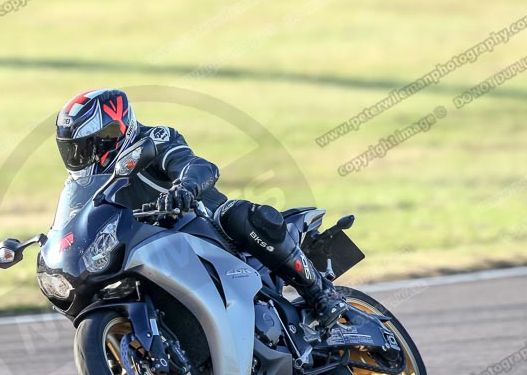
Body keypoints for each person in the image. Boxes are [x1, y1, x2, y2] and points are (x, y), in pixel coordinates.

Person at [55, 89, 347, 329]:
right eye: (73, 149)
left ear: (110, 135)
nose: (80, 156)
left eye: (86, 147)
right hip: (151, 253)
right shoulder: (81, 188)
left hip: (206, 230)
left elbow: (198, 166)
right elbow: (75, 227)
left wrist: (184, 189)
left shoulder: (154, 140)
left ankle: (320, 293)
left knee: (237, 214)